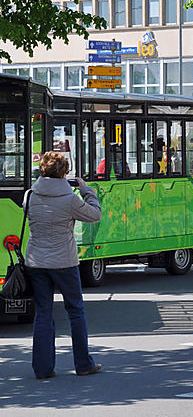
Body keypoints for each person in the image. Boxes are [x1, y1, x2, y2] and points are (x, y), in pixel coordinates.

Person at [25, 151, 102, 379]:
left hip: (36, 261)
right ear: (64, 173)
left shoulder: (31, 195)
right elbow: (95, 215)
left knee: (43, 313)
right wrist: (86, 189)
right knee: (75, 311)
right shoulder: (70, 199)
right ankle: (83, 364)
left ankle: (42, 368)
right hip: (63, 262)